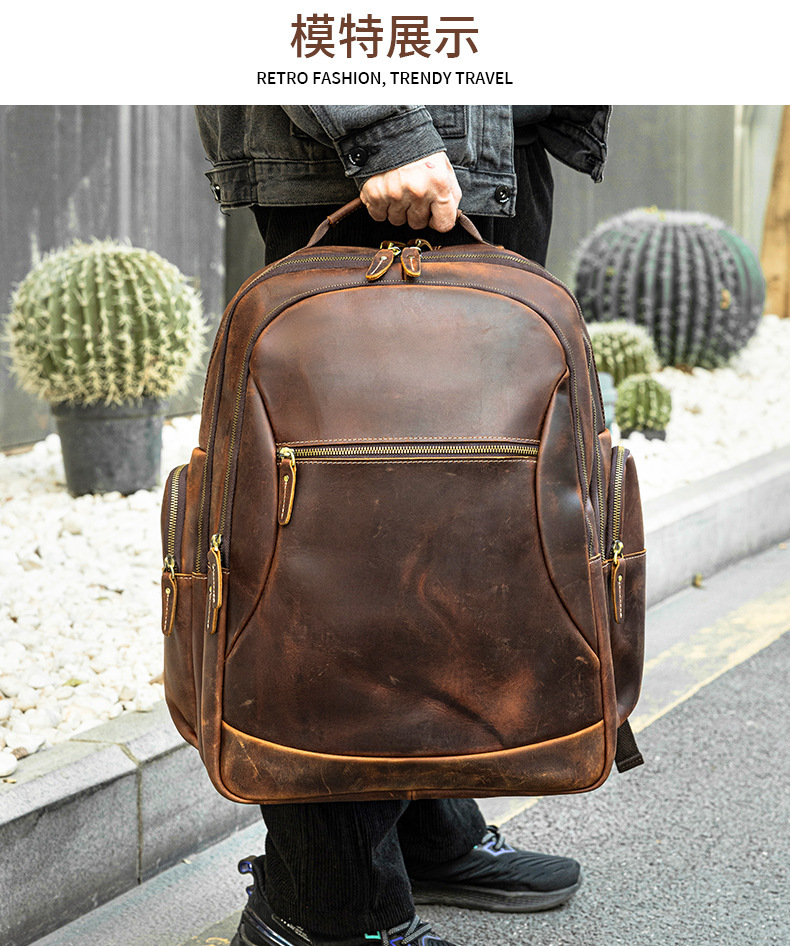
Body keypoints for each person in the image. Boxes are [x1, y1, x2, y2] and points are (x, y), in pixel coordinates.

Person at [194, 105, 611, 946]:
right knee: (349, 550)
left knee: (451, 531)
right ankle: (326, 904)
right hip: (373, 154)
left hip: (491, 148)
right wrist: (381, 129)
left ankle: (421, 829)